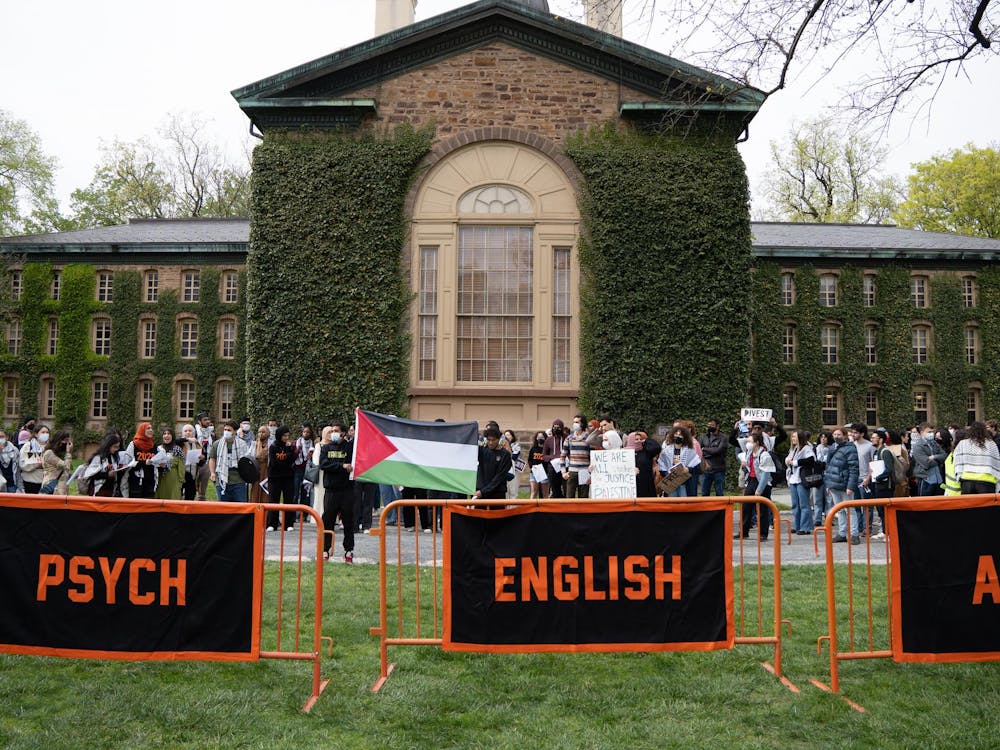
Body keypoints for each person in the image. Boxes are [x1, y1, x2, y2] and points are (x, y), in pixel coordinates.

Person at [318, 421, 355, 562]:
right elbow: (324, 464)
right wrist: (341, 466)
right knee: (328, 521)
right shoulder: (326, 448)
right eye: (331, 430)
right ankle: (325, 550)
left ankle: (349, 550)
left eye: (336, 430)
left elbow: (354, 463)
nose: (333, 433)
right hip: (331, 490)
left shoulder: (350, 448)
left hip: (347, 490)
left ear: (343, 433)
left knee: (348, 522)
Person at [825, 427, 860, 544]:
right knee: (840, 511)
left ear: (845, 435)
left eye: (839, 434)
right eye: (834, 434)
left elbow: (854, 468)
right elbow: (828, 467)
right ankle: (842, 533)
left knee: (850, 510)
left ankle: (854, 534)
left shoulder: (850, 448)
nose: (836, 436)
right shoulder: (832, 448)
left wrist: (850, 486)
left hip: (845, 484)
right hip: (833, 484)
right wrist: (828, 484)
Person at [738, 431, 776, 539]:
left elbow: (765, 474)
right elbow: (746, 464)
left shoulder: (764, 455)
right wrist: (744, 465)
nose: (748, 443)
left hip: (762, 483)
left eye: (750, 441)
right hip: (751, 480)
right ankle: (744, 532)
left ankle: (763, 533)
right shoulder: (749, 453)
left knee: (763, 509)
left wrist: (759, 490)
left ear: (757, 443)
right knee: (746, 506)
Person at [208, 420, 252, 502]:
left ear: (235, 431)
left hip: (239, 480)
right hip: (221, 479)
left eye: (229, 430)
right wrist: (212, 473)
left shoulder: (242, 444)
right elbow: (212, 459)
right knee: (224, 509)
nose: (226, 432)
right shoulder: (217, 444)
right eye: (225, 430)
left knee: (241, 507)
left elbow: (247, 461)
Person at [953, 421, 1000, 495]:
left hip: (967, 480)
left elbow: (957, 461)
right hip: (986, 480)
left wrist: (959, 475)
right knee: (985, 506)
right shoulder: (991, 444)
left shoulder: (962, 443)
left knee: (968, 506)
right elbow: (997, 463)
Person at [267, 425, 298, 531]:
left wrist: (289, 450)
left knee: (289, 499)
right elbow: (274, 463)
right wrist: (286, 459)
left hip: (288, 477)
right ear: (279, 436)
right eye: (284, 435)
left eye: (288, 435)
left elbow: (292, 459)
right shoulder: (273, 447)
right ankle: (272, 523)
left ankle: (288, 524)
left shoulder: (290, 447)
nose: (286, 438)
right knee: (273, 499)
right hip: (274, 477)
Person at [657, 425, 701, 498]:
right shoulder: (666, 451)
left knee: (683, 503)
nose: (677, 436)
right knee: (672, 503)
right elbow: (661, 466)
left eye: (680, 435)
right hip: (671, 483)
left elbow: (697, 466)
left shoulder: (690, 450)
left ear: (685, 437)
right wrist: (668, 474)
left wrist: (688, 469)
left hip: (684, 483)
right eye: (676, 434)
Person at [785, 430, 814, 534]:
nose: (793, 439)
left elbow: (811, 460)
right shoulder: (794, 449)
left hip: (801, 479)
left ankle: (805, 527)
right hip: (793, 479)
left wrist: (794, 462)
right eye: (792, 437)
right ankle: (797, 525)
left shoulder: (806, 449)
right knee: (795, 504)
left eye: (795, 437)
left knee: (804, 504)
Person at [474, 427, 513, 504]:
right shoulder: (481, 451)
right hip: (480, 493)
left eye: (493, 440)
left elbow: (499, 477)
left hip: (497, 493)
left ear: (499, 439)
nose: (491, 443)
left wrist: (483, 491)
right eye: (488, 440)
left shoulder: (505, 455)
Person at [868, 428, 895, 539]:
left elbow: (889, 469)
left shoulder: (885, 451)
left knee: (885, 510)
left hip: (885, 485)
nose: (872, 439)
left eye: (874, 438)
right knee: (880, 509)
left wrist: (878, 477)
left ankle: (888, 532)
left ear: (881, 440)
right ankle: (884, 531)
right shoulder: (877, 452)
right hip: (879, 484)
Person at [83, 432, 126, 497]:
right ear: (109, 445)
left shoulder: (114, 457)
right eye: (115, 447)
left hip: (110, 490)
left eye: (118, 447)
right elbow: (91, 474)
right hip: (98, 490)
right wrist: (107, 474)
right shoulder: (98, 457)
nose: (116, 449)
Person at [911, 422, 946, 496]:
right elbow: (926, 463)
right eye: (929, 432)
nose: (931, 434)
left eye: (932, 432)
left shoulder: (934, 443)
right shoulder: (918, 446)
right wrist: (939, 461)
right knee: (925, 504)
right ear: (921, 432)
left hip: (938, 480)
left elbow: (944, 456)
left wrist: (934, 457)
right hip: (926, 479)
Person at [123, 422, 157, 499]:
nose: (151, 430)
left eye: (151, 428)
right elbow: (128, 463)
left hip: (150, 484)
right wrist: (144, 463)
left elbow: (156, 463)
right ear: (142, 430)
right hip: (136, 483)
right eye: (148, 428)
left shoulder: (153, 446)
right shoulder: (133, 444)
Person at [155, 427, 189, 500]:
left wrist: (180, 483)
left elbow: (181, 468)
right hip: (159, 480)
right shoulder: (158, 449)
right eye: (164, 434)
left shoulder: (177, 449)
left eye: (169, 434)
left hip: (174, 481)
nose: (166, 436)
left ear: (172, 436)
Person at [561, 419, 592, 498]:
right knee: (569, 497)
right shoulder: (569, 438)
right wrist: (563, 472)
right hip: (572, 472)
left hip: (585, 472)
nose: (575, 424)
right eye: (574, 422)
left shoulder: (589, 438)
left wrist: (591, 474)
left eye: (577, 422)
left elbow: (593, 457)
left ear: (582, 424)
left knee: (583, 498)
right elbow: (562, 456)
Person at [699, 418, 729, 496]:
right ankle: (705, 508)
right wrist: (710, 452)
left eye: (712, 425)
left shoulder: (723, 437)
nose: (710, 427)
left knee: (719, 493)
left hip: (719, 469)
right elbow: (699, 451)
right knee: (705, 493)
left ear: (717, 426)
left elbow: (718, 450)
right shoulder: (704, 437)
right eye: (708, 425)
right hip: (706, 469)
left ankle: (720, 508)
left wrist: (704, 449)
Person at [18, 422, 49, 494]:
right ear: (36, 434)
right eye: (43, 432)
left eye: (47, 432)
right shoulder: (28, 446)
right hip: (30, 481)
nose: (45, 434)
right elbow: (22, 463)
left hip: (46, 481)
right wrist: (37, 465)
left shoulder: (50, 447)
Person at [40, 430, 73, 494]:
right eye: (66, 440)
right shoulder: (49, 453)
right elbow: (67, 466)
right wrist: (68, 452)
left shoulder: (60, 454)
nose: (67, 443)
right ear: (59, 440)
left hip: (61, 487)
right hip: (52, 486)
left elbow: (69, 468)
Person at [541, 419, 566, 498]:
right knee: (555, 489)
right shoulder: (549, 440)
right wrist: (553, 457)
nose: (556, 429)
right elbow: (544, 455)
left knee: (566, 488)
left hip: (565, 466)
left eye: (558, 427)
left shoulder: (567, 438)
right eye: (554, 427)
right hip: (553, 467)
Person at [294, 424, 316, 510]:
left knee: (306, 491)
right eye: (304, 432)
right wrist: (298, 450)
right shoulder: (297, 443)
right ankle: (294, 513)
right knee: (296, 491)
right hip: (297, 469)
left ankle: (304, 513)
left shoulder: (313, 443)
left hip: (307, 470)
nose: (306, 434)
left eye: (308, 432)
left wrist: (311, 455)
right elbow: (293, 456)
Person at [194, 412, 215, 500]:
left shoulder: (211, 432)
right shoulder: (195, 431)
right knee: (193, 484)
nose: (207, 421)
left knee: (203, 487)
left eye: (208, 419)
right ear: (199, 422)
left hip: (206, 461)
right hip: (195, 462)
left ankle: (201, 501)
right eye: (205, 420)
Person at [251, 425, 271, 505]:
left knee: (265, 493)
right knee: (255, 493)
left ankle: (265, 516)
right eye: (259, 432)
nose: (261, 434)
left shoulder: (271, 445)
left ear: (268, 434)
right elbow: (252, 456)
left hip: (266, 472)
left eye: (263, 432)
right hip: (256, 472)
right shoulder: (254, 444)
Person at [527, 431, 549, 499]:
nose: (540, 439)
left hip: (544, 472)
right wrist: (532, 466)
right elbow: (529, 460)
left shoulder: (547, 449)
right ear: (536, 438)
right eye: (538, 437)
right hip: (534, 472)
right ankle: (531, 508)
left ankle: (545, 509)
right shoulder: (533, 449)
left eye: (542, 437)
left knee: (545, 494)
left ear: (545, 438)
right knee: (534, 493)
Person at [180, 424, 199, 500]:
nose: (188, 432)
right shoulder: (180, 443)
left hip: (193, 473)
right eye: (185, 431)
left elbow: (202, 458)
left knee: (190, 496)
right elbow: (176, 441)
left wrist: (201, 458)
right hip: (182, 472)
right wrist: (188, 440)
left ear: (193, 432)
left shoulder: (196, 444)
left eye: (190, 431)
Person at [0, 428, 21, 492]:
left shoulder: (14, 450)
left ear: (7, 437)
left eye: (2, 437)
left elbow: (18, 469)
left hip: (12, 484)